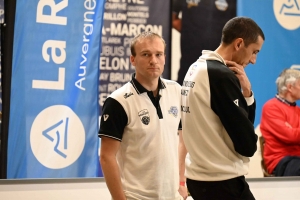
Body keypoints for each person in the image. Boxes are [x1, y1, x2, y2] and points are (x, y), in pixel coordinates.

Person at [180, 17, 265, 199]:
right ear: (239, 43)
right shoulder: (220, 76)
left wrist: (247, 93)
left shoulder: (195, 68)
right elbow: (247, 144)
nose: (254, 60)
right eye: (254, 52)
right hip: (222, 182)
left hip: (199, 179)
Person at [99, 32, 186, 200]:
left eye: (158, 54)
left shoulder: (176, 90)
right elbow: (106, 157)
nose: (153, 60)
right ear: (133, 59)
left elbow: (185, 139)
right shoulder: (118, 101)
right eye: (146, 54)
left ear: (164, 58)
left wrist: (181, 182)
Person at [172, 0, 237, 84]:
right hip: (189, 61)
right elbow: (172, 18)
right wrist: (189, 30)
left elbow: (238, 25)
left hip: (219, 61)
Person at [260, 69, 300, 176]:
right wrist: (293, 132)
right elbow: (291, 136)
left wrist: (293, 130)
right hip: (280, 160)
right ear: (290, 87)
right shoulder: (271, 107)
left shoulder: (298, 110)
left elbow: (294, 135)